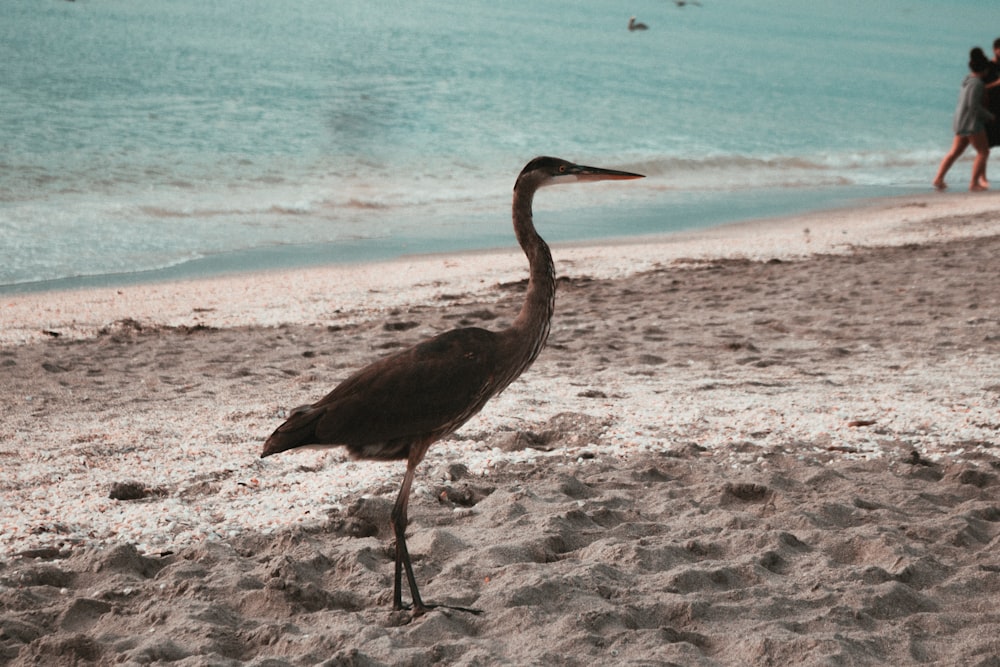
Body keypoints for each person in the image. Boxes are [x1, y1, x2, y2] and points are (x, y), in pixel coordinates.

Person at [933, 48, 995, 192]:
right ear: (984, 70)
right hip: (972, 124)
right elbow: (973, 106)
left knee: (954, 152)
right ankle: (973, 183)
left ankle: (939, 178)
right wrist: (989, 116)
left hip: (961, 122)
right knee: (983, 152)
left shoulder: (967, 80)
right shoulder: (977, 84)